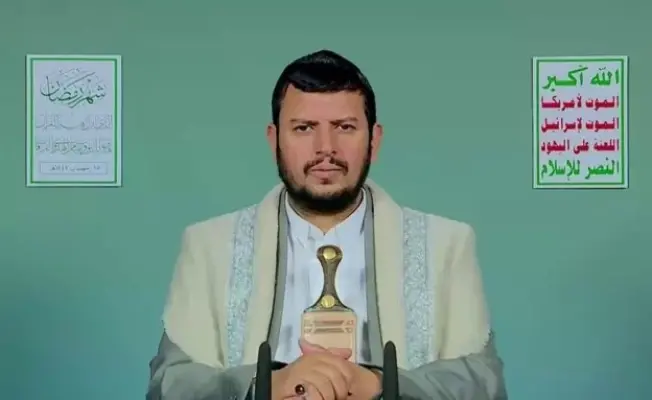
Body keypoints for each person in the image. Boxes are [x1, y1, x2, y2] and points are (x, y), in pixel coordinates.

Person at [147, 49, 508, 400]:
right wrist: (267, 384)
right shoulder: (210, 246)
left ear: (374, 140)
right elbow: (169, 385)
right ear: (274, 140)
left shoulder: (445, 245)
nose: (325, 148)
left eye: (345, 127)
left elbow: (485, 384)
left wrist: (380, 385)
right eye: (304, 128)